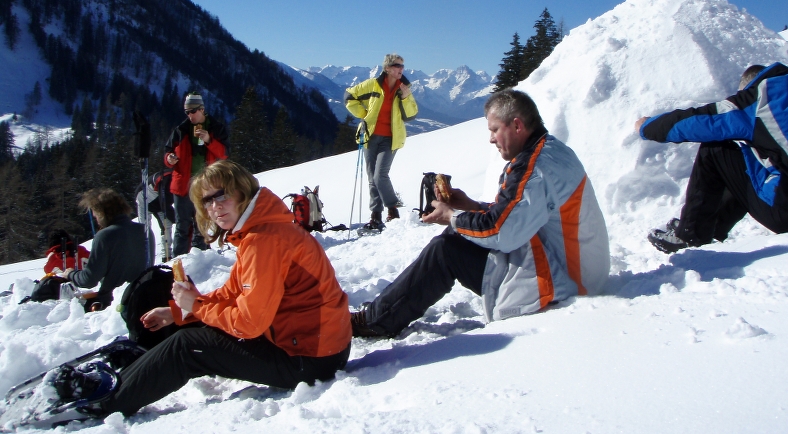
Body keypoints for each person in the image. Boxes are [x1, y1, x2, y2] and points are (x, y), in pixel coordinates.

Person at [87, 160, 351, 417]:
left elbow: (249, 323)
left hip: (309, 359)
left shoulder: (263, 242)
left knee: (186, 346)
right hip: (317, 346)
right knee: (201, 327)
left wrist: (195, 306)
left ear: (242, 192)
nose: (215, 207)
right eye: (207, 201)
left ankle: (105, 404)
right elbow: (233, 293)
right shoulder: (260, 230)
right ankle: (118, 386)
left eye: (221, 195)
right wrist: (180, 312)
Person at [350, 89, 610, 338]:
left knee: (447, 249)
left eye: (495, 130)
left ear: (517, 126)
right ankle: (381, 312)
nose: (491, 139)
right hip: (575, 267)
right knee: (459, 234)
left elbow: (502, 231)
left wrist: (452, 216)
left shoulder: (534, 169)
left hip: (568, 280)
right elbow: (518, 215)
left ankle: (375, 322)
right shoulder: (549, 151)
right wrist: (472, 206)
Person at [639, 63, 788, 253]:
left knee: (716, 149)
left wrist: (647, 126)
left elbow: (700, 121)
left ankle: (690, 236)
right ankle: (711, 225)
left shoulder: (757, 100)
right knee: (745, 160)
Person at [344, 53, 418, 230]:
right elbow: (349, 96)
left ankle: (392, 209)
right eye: (397, 66)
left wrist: (406, 97)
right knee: (372, 177)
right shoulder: (373, 85)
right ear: (387, 68)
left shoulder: (404, 88)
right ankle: (375, 215)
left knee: (380, 175)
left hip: (391, 139)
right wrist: (364, 115)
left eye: (402, 66)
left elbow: (411, 115)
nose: (401, 69)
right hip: (370, 136)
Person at [63, 189, 154, 310]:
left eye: (95, 213)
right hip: (145, 295)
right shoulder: (145, 230)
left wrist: (71, 274)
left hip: (116, 301)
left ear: (101, 213)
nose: (95, 218)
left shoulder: (105, 236)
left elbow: (89, 279)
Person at [164, 92, 229, 257]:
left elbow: (224, 154)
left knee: (202, 225)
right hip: (182, 186)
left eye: (193, 111)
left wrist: (209, 140)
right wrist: (169, 159)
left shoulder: (215, 128)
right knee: (182, 226)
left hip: (205, 186)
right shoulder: (181, 130)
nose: (190, 115)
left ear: (202, 109)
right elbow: (167, 152)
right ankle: (179, 260)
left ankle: (199, 259)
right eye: (187, 112)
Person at [135, 169, 175, 262]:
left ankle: (167, 257)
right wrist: (177, 218)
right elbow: (165, 204)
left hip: (157, 201)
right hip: (143, 201)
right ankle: (144, 259)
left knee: (166, 226)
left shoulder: (173, 179)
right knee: (145, 230)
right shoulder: (166, 179)